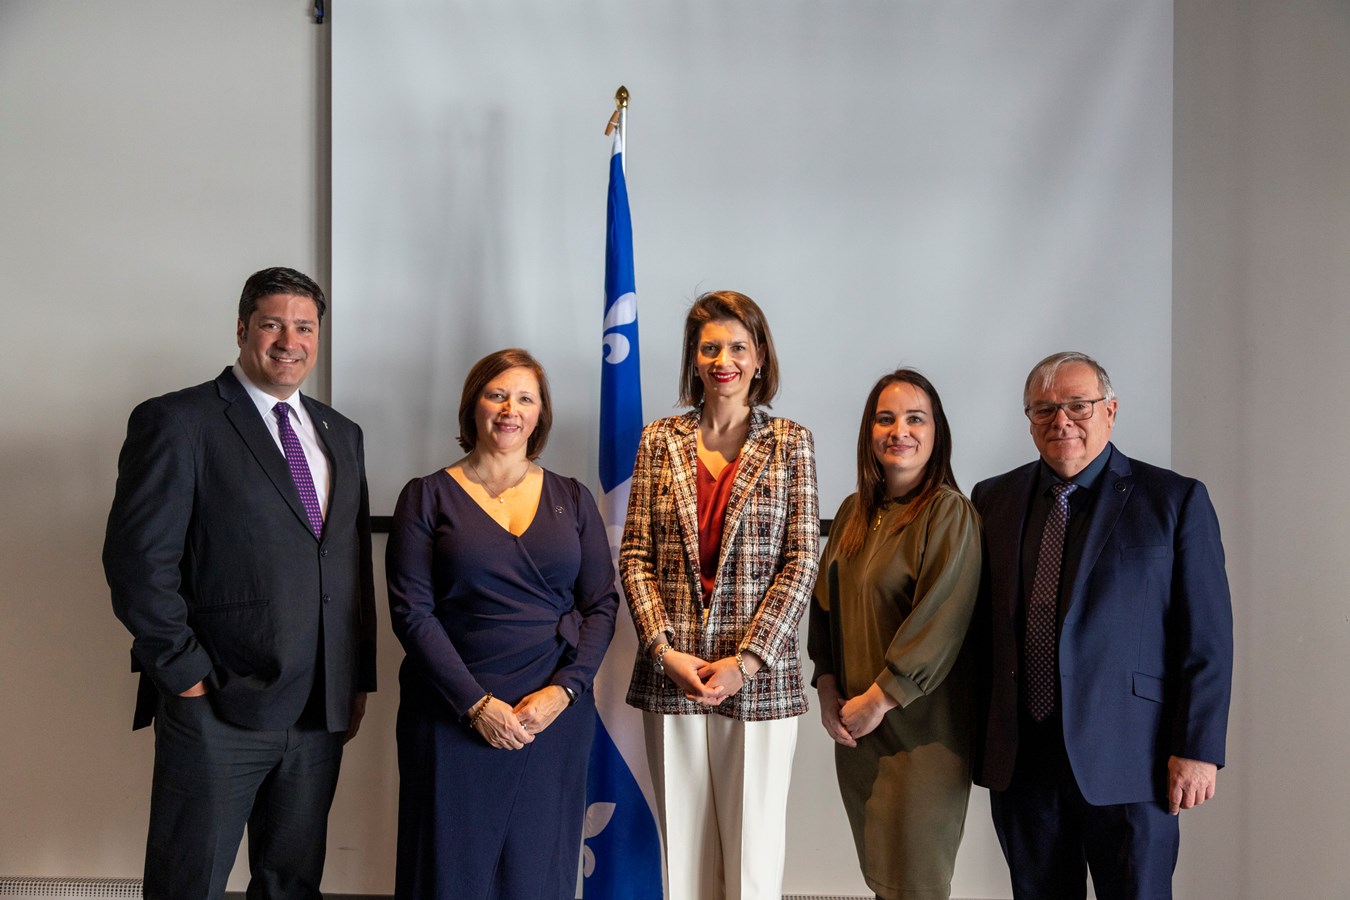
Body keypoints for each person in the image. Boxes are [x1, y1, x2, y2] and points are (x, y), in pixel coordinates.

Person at [103, 267, 376, 900]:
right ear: (242, 329)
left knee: (290, 884)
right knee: (187, 883)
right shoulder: (179, 420)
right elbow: (138, 562)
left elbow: (350, 565)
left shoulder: (343, 434)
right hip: (217, 705)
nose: (289, 341)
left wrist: (355, 678)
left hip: (319, 710)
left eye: (304, 327)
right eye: (273, 324)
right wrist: (185, 673)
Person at [971, 351, 1233, 899]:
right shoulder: (992, 498)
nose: (1060, 421)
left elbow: (1206, 638)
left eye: (1077, 406)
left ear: (1110, 411)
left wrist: (1199, 748)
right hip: (1025, 761)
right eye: (1042, 410)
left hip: (1132, 761)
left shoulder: (1174, 500)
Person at [385, 348, 618, 900]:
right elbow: (411, 612)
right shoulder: (425, 496)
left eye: (525, 398)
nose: (510, 409)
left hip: (551, 718)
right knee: (447, 874)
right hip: (449, 713)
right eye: (497, 394)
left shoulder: (573, 498)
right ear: (474, 406)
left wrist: (565, 691)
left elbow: (601, 606)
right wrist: (475, 705)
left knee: (538, 875)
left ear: (540, 415)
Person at [621, 290, 819, 900]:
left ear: (759, 356)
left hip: (757, 679)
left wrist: (747, 660)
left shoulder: (790, 441)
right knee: (682, 858)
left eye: (737, 346)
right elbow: (634, 556)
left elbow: (801, 560)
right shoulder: (660, 440)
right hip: (675, 674)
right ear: (694, 357)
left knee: (753, 861)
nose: (723, 360)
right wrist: (663, 650)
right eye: (710, 348)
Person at [808, 369, 981, 900]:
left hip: (921, 737)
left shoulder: (949, 513)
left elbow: (941, 621)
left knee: (917, 885)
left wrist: (880, 699)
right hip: (859, 734)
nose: (899, 430)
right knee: (884, 880)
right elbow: (824, 609)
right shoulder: (854, 514)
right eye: (885, 419)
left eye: (914, 419)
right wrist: (829, 687)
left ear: (936, 432)